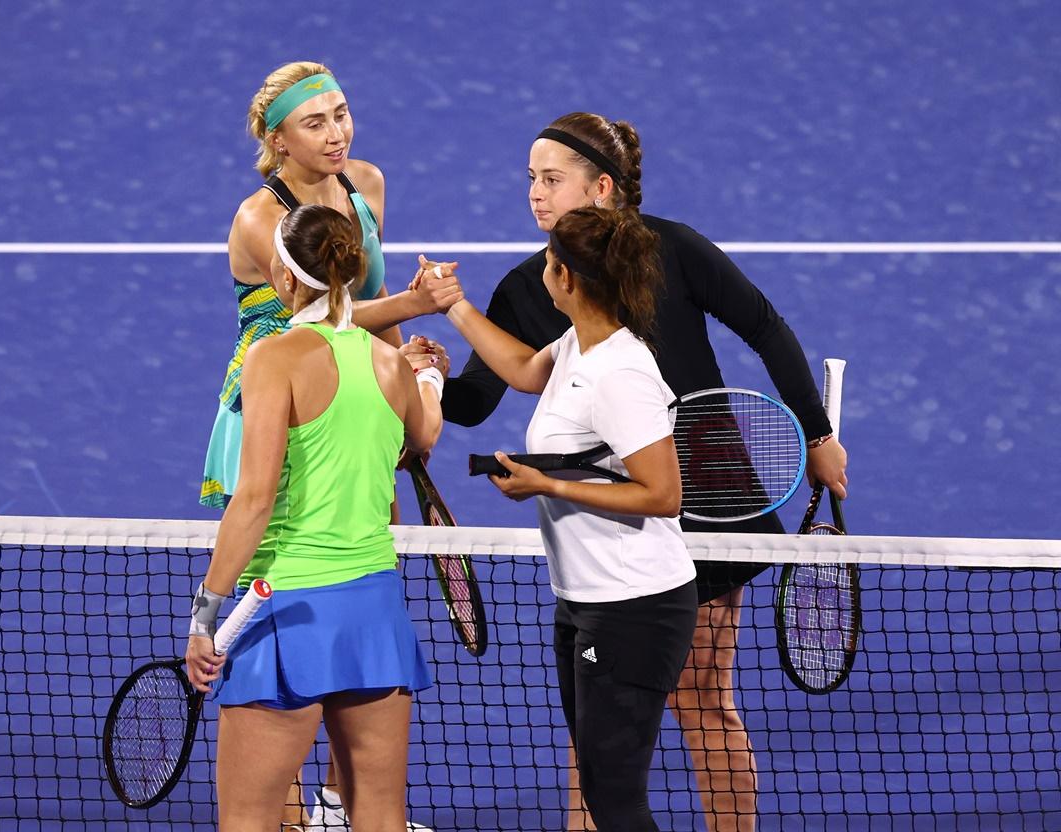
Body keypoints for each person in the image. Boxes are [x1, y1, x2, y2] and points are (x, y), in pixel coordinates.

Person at [430, 113, 850, 831]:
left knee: (701, 699)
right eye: (530, 178)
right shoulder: (537, 284)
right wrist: (432, 377)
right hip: (609, 519)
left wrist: (816, 432)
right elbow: (482, 396)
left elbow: (765, 325)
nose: (535, 194)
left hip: (710, 495)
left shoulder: (673, 250)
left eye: (552, 179)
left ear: (602, 187)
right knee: (596, 724)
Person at [199, 61, 454, 830]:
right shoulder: (257, 218)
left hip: (354, 375)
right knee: (279, 537)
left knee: (338, 547)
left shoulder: (365, 184)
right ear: (276, 140)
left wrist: (399, 373)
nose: (337, 133)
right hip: (278, 391)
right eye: (316, 122)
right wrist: (405, 371)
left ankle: (337, 804)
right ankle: (290, 810)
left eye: (342, 114)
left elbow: (347, 301)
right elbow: (304, 321)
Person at [443, 205, 700, 831]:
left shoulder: (621, 373)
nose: (543, 271)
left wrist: (548, 485)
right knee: (598, 781)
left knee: (614, 797)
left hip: (634, 604)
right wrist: (452, 306)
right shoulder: (579, 343)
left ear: (567, 279)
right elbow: (527, 371)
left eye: (550, 263)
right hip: (585, 598)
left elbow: (664, 494)